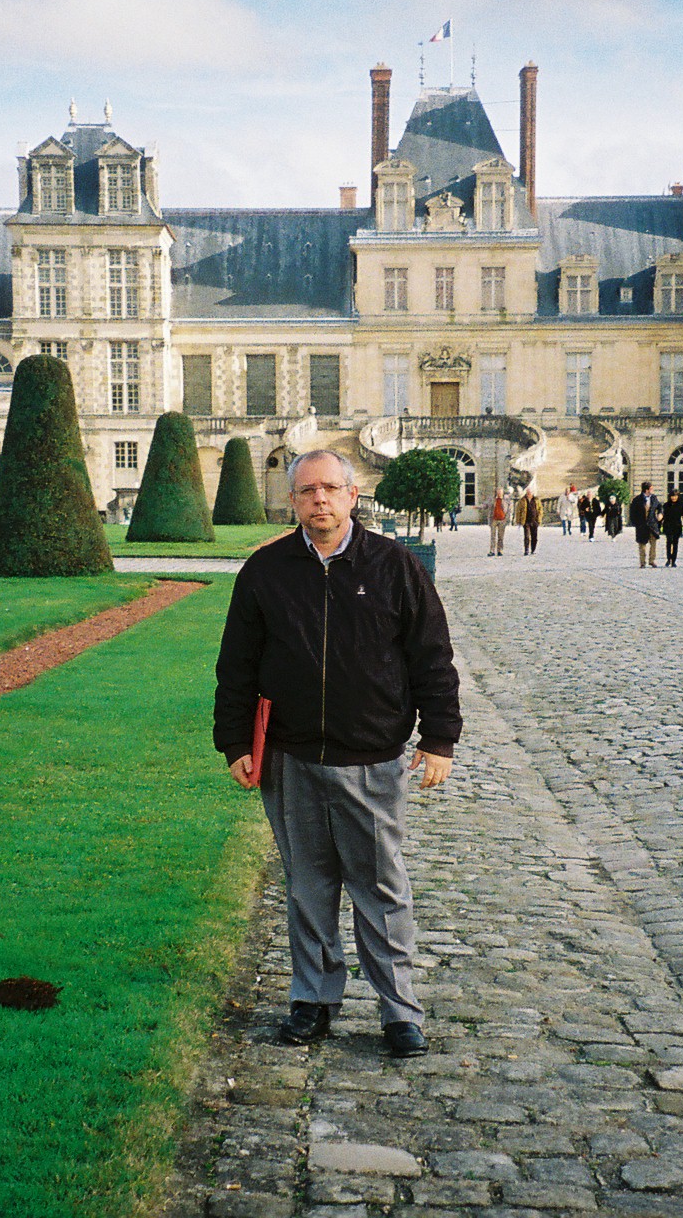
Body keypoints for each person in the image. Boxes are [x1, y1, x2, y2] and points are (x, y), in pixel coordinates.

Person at [214, 448, 461, 1060]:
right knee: (308, 885)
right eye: (306, 491)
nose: (318, 500)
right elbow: (237, 665)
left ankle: (399, 1010)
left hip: (371, 758)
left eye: (329, 489)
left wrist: (438, 739)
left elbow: (432, 657)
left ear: (354, 496)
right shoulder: (266, 570)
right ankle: (313, 1000)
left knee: (380, 889)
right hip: (290, 759)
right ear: (292, 499)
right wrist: (236, 742)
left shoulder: (394, 565)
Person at [629, 481, 659, 568]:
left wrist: (660, 513)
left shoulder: (654, 498)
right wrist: (636, 524)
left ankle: (652, 560)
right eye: (651, 489)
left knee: (653, 544)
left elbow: (659, 507)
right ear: (646, 490)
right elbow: (632, 513)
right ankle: (642, 562)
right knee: (642, 545)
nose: (652, 490)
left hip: (652, 525)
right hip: (641, 526)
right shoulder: (637, 500)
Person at [660, 487, 683, 566]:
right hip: (668, 525)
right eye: (672, 496)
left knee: (675, 543)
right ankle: (668, 559)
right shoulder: (666, 505)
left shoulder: (680, 505)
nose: (674, 497)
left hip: (677, 526)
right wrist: (659, 526)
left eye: (675, 496)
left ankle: (673, 560)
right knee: (669, 542)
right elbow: (662, 516)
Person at [517, 487, 541, 555]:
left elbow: (540, 509)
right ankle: (526, 549)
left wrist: (539, 518)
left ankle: (533, 549)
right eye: (527, 492)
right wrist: (519, 520)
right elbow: (518, 510)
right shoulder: (522, 500)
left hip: (534, 521)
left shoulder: (536, 500)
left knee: (534, 537)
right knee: (527, 536)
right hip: (526, 520)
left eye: (530, 492)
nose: (529, 494)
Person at [487, 487, 508, 557]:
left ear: (502, 493)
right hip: (494, 519)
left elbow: (509, 510)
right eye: (498, 492)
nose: (499, 493)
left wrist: (507, 518)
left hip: (502, 520)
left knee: (500, 536)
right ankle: (492, 550)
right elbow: (486, 506)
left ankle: (500, 550)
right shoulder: (493, 500)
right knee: (493, 536)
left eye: (500, 492)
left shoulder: (506, 500)